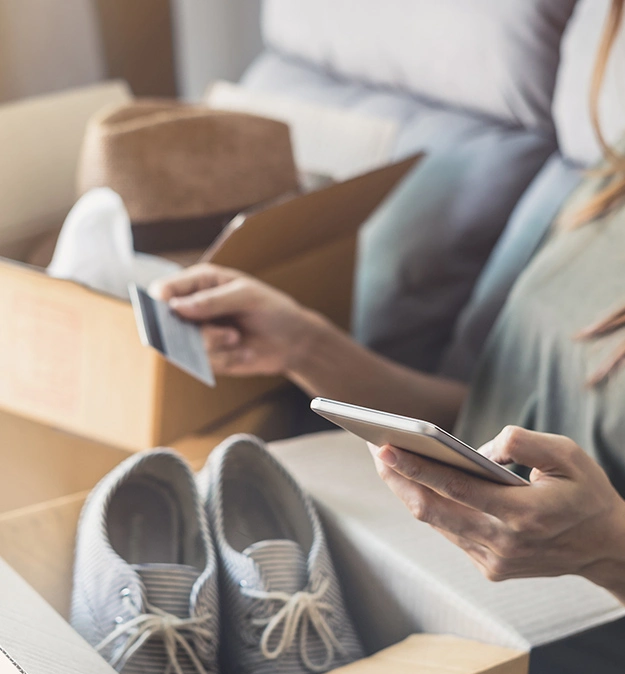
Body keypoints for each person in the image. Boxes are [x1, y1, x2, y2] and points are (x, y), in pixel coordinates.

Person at [152, 0, 625, 605]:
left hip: (575, 634)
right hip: (440, 570)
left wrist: (610, 548)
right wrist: (301, 341)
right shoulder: (603, 188)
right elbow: (490, 422)